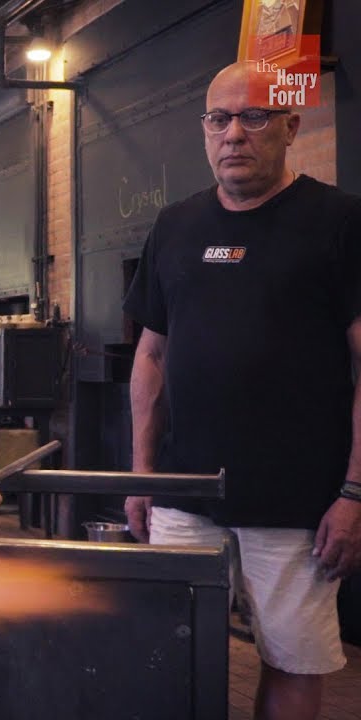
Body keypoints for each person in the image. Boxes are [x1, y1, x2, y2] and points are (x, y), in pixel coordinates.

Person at [123, 61, 361, 720]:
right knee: (169, 649)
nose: (234, 134)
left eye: (254, 116)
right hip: (184, 494)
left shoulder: (340, 222)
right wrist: (143, 475)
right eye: (219, 118)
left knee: (292, 659)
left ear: (290, 124)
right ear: (204, 129)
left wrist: (354, 492)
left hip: (297, 502)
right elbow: (150, 357)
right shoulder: (175, 226)